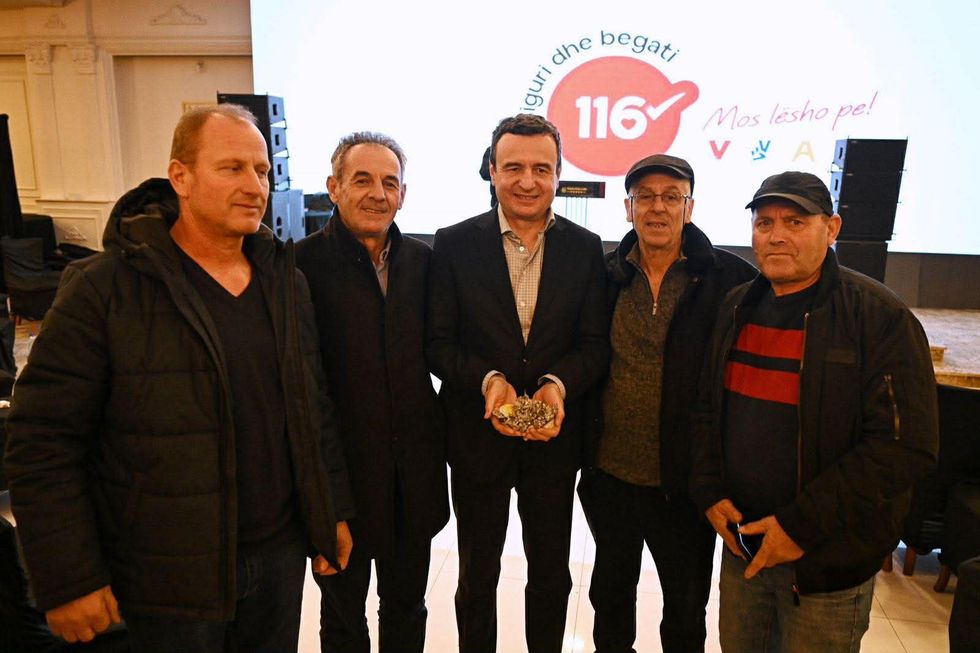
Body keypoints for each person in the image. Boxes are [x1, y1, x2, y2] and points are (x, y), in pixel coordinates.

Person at [3, 104, 354, 652]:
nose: (254, 186)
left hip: (276, 561)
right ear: (180, 177)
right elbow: (42, 440)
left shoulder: (285, 282)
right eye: (232, 168)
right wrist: (69, 576)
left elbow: (311, 407)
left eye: (262, 170)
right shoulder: (103, 288)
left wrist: (328, 510)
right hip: (165, 575)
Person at [689, 171, 939, 653]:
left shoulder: (878, 316)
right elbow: (706, 409)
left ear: (832, 228)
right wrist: (709, 490)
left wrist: (798, 526)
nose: (776, 235)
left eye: (795, 221)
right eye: (764, 223)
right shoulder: (737, 307)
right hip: (744, 550)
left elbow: (905, 447)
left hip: (826, 567)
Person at [427, 113, 609, 653]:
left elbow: (594, 345)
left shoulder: (586, 248)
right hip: (476, 439)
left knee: (551, 575)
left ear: (558, 174)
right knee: (477, 575)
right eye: (513, 167)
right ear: (491, 170)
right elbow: (438, 343)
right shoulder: (453, 244)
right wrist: (489, 380)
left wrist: (557, 384)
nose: (527, 181)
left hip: (554, 445)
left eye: (541, 168)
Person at [578, 154, 755, 653]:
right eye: (646, 197)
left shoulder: (731, 280)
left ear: (689, 207)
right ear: (628, 208)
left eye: (671, 196)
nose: (658, 207)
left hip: (687, 485)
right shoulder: (603, 277)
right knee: (610, 600)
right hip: (611, 478)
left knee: (685, 609)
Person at [295, 132, 449, 653]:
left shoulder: (424, 263)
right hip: (340, 485)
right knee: (343, 618)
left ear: (403, 194)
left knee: (407, 607)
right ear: (333, 187)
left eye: (390, 183)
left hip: (412, 481)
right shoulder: (298, 267)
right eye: (362, 180)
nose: (378, 194)